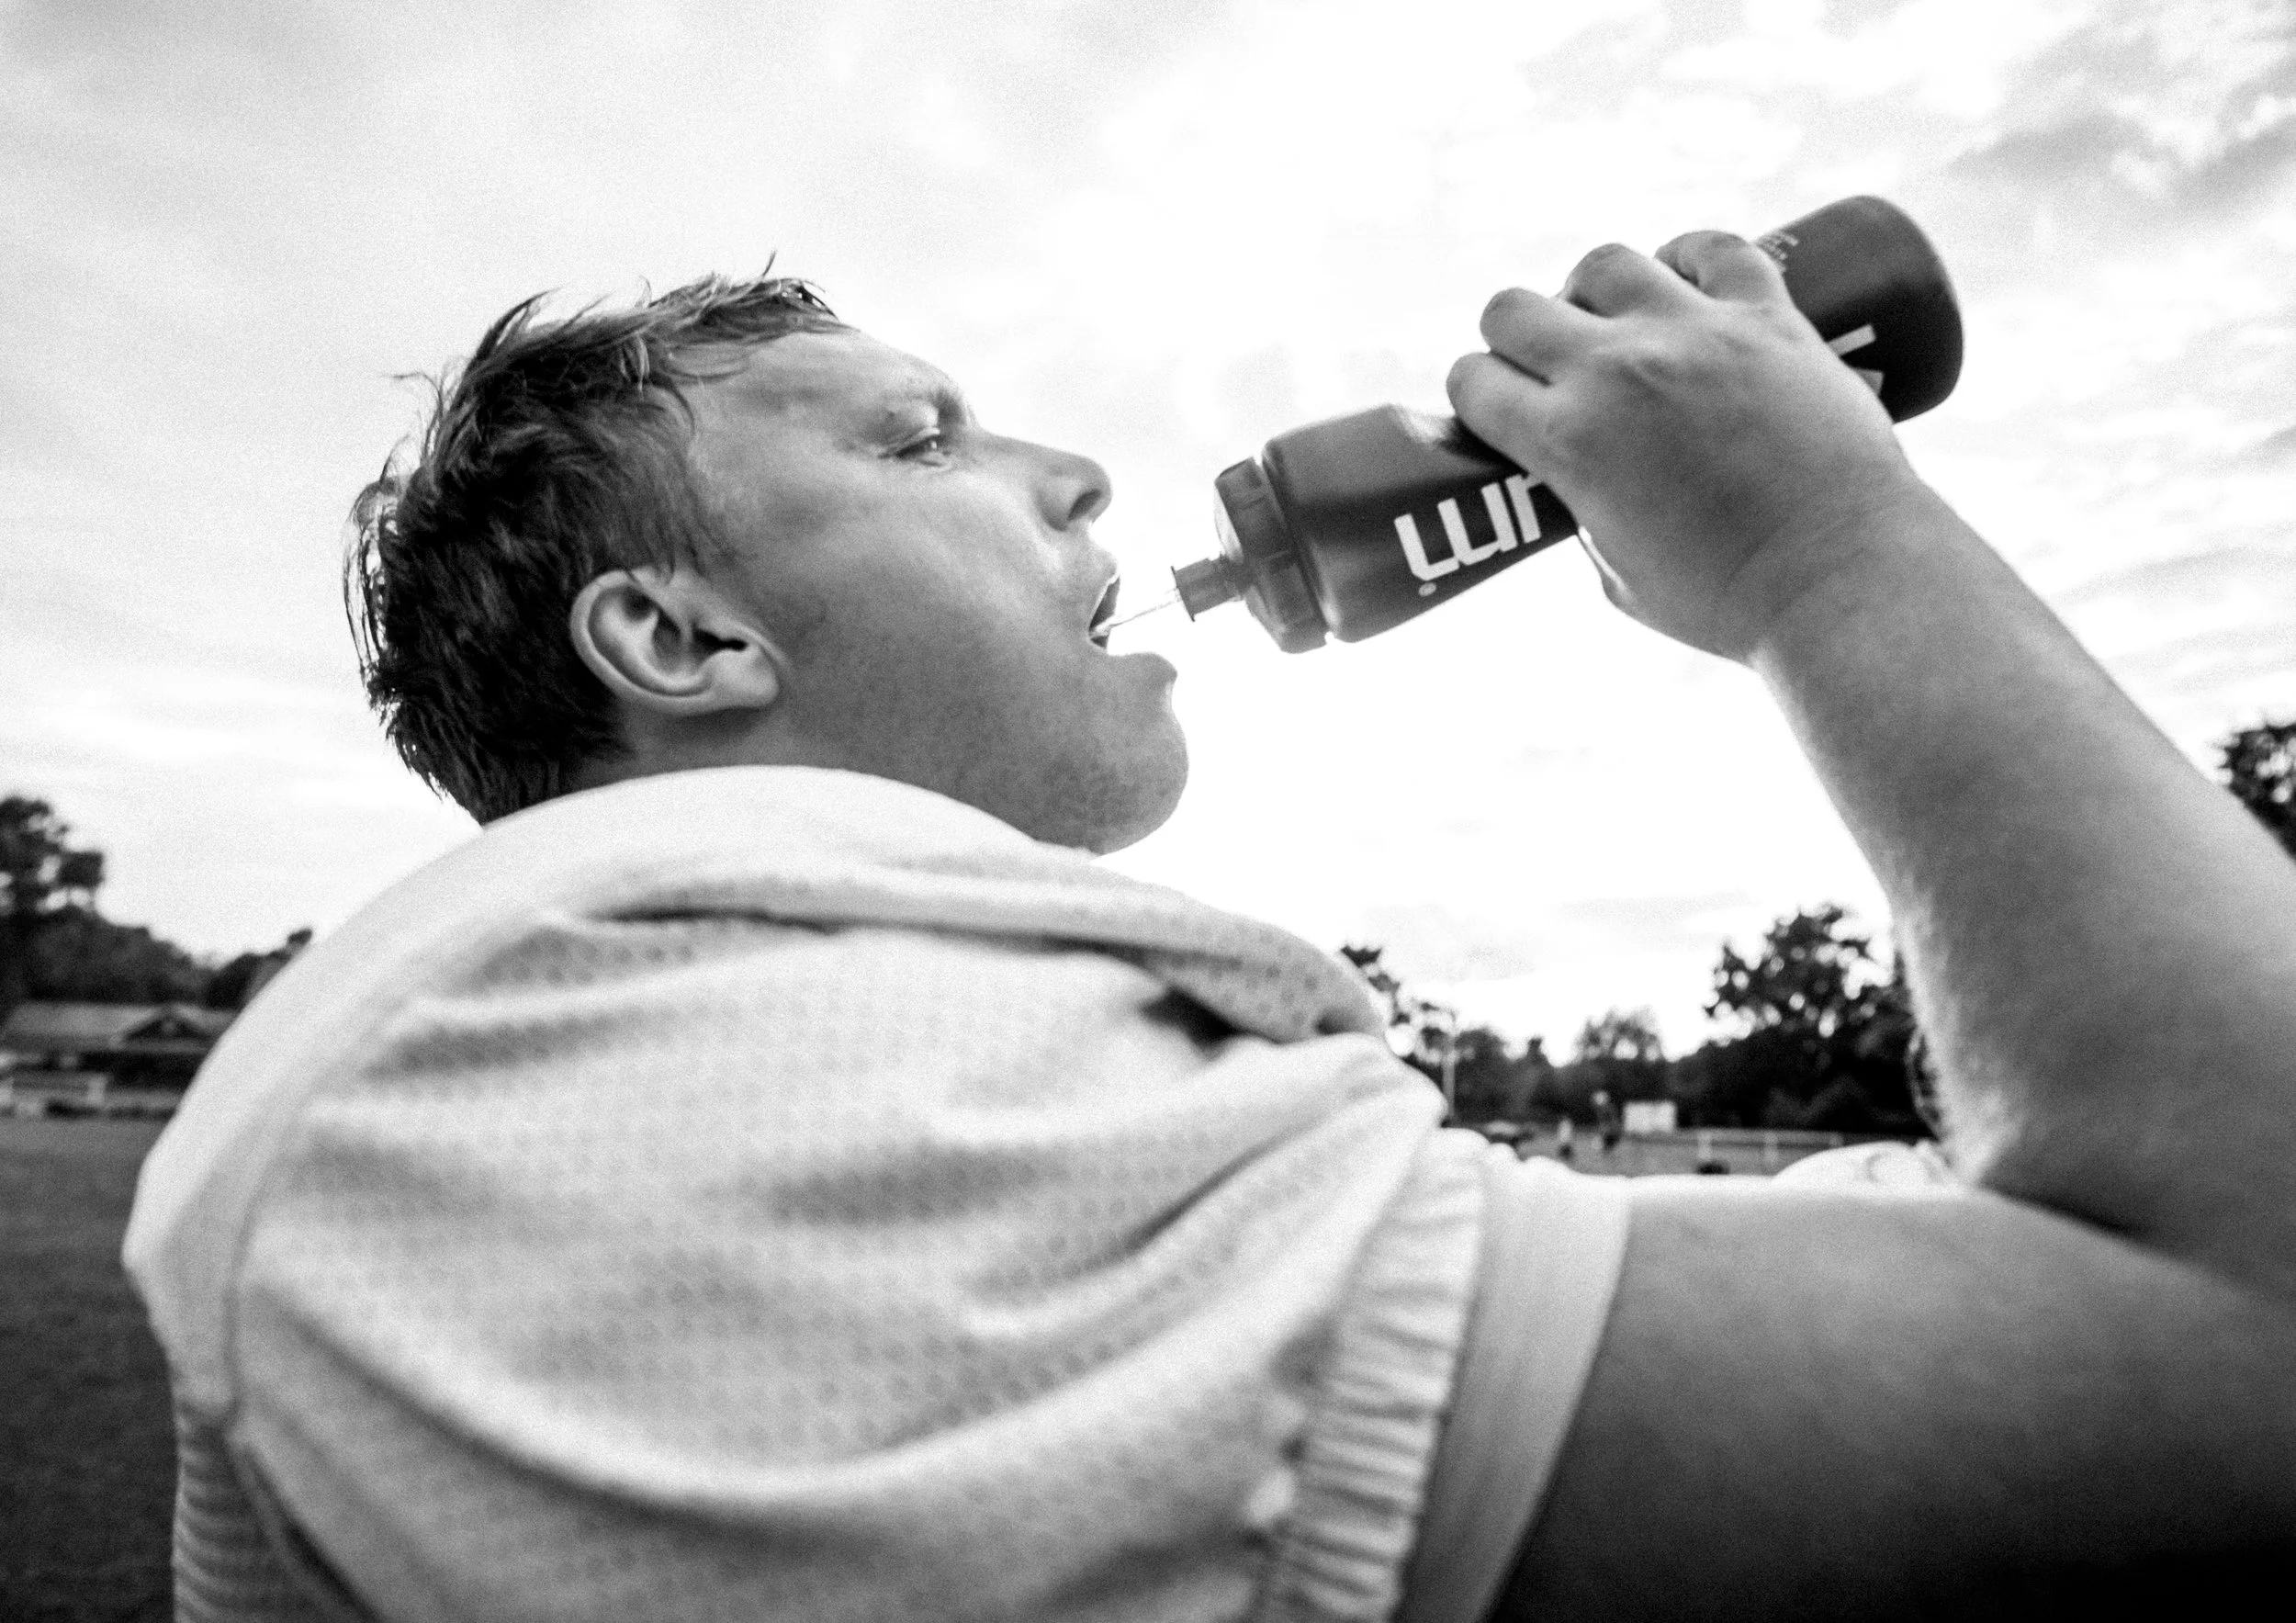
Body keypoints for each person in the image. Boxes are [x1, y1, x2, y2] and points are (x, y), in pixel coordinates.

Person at [123, 234, 2296, 1623]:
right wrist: (1822, 550)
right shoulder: (568, 1032)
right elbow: (2245, 1339)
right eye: (919, 441)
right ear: (675, 632)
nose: (1075, 475)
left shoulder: (788, 1042)